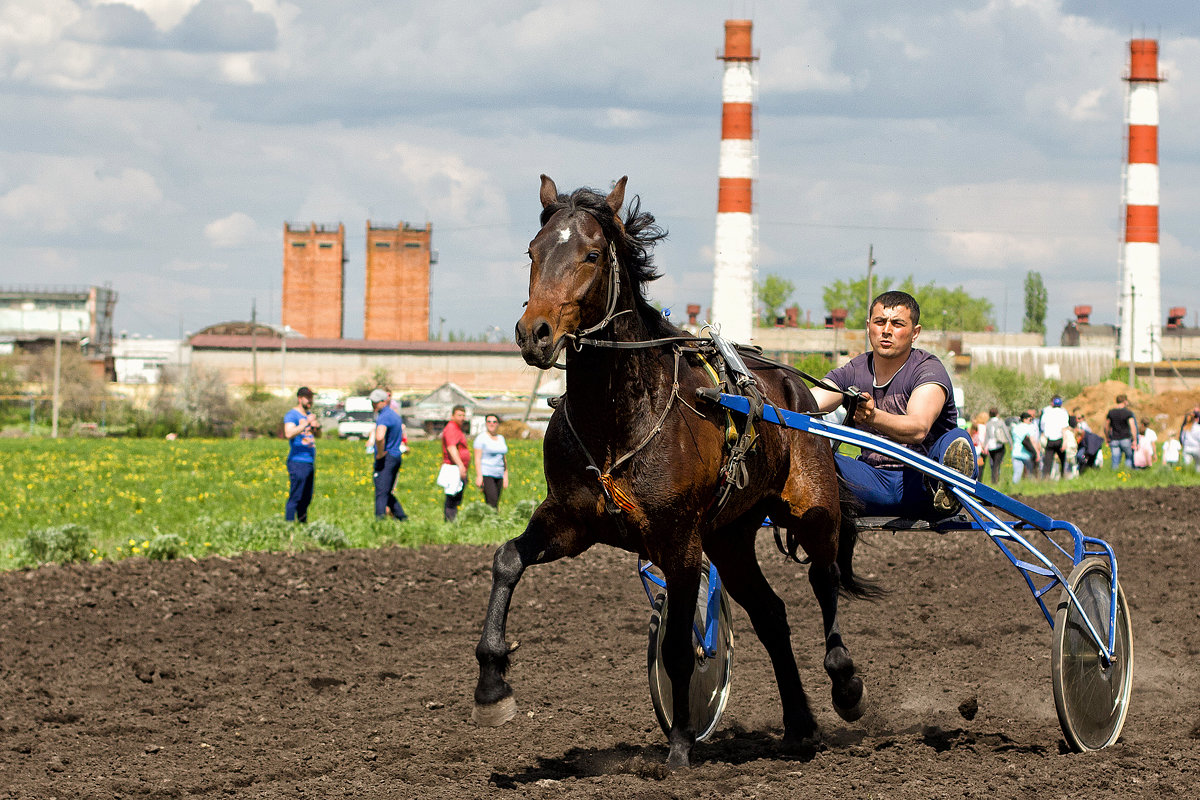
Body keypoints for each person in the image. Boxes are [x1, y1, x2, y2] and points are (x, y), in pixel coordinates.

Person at [809, 290, 978, 520]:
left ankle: (950, 488)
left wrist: (872, 417)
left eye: (897, 324)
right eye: (880, 322)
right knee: (813, 457)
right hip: (872, 483)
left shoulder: (927, 369)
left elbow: (918, 428)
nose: (886, 330)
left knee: (957, 438)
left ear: (914, 332)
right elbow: (808, 402)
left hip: (923, 481)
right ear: (869, 326)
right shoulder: (854, 370)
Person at [283, 386, 320, 522]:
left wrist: (316, 427)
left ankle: (303, 525)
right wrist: (306, 423)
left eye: (311, 398)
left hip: (309, 461)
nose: (310, 400)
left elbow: (317, 435)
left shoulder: (308, 415)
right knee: (296, 496)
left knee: (306, 497)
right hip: (297, 461)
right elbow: (289, 433)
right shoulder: (292, 415)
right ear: (300, 398)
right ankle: (289, 525)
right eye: (308, 398)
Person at [369, 388, 407, 521]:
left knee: (381, 492)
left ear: (384, 401)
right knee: (387, 492)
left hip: (387, 457)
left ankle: (379, 522)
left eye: (376, 402)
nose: (373, 405)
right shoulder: (395, 415)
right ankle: (402, 518)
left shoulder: (383, 416)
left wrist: (380, 454)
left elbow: (379, 437)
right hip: (396, 456)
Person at [437, 405, 471, 521]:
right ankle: (450, 521)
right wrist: (461, 465)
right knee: (452, 496)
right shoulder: (451, 428)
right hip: (453, 467)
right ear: (452, 416)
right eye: (459, 415)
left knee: (457, 496)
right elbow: (451, 448)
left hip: (457, 466)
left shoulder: (457, 428)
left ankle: (452, 519)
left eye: (463, 415)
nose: (462, 418)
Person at [473, 413, 510, 509]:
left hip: (499, 474)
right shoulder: (481, 438)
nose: (491, 424)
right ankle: (492, 521)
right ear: (486, 423)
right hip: (487, 473)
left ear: (498, 424)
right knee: (492, 501)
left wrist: (505, 475)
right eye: (489, 422)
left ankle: (491, 520)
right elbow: (477, 458)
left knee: (496, 501)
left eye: (494, 422)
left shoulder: (501, 438)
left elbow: (503, 458)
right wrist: (479, 476)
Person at [1039, 396, 1070, 479]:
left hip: (1049, 440)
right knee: (1063, 460)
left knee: (1048, 461)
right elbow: (1064, 428)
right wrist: (1065, 442)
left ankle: (1046, 478)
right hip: (1060, 439)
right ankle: (1063, 476)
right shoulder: (1063, 412)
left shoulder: (1047, 412)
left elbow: (1042, 426)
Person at [1105, 394, 1139, 471]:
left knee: (1115, 460)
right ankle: (1127, 474)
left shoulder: (1111, 412)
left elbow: (1106, 426)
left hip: (1114, 440)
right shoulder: (1128, 413)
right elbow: (1132, 427)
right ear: (1125, 401)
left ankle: (1114, 476)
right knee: (1128, 458)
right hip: (1126, 439)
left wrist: (1107, 437)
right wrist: (1134, 440)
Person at [982, 407, 1011, 484]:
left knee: (993, 463)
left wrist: (985, 446)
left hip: (991, 446)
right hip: (999, 444)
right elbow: (1006, 433)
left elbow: (987, 436)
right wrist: (1010, 443)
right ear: (997, 414)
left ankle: (994, 479)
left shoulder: (988, 423)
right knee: (996, 464)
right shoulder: (1000, 422)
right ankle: (995, 480)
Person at [1010, 411, 1040, 483]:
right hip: (1027, 454)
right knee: (1031, 473)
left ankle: (1014, 489)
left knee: (1017, 474)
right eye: (1030, 419)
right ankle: (1031, 487)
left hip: (1016, 452)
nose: (1031, 421)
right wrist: (1037, 452)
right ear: (1025, 419)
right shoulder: (1029, 427)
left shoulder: (1015, 428)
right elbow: (1032, 441)